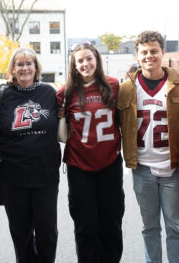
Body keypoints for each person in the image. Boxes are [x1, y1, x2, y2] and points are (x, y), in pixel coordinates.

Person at [117, 31, 179, 263]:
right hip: (142, 168)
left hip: (172, 167)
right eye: (144, 52)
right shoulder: (126, 88)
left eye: (154, 51)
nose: (149, 56)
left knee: (175, 226)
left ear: (162, 52)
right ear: (137, 56)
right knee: (149, 227)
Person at [57, 41, 124, 263]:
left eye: (89, 58)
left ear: (97, 59)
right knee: (85, 226)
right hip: (79, 166)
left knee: (111, 223)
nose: (85, 64)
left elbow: (124, 121)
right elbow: (59, 131)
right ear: (74, 65)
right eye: (80, 60)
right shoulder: (65, 93)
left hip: (109, 164)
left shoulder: (114, 85)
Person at [0, 47, 61, 263]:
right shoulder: (2, 95)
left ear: (36, 67)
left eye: (29, 63)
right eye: (19, 64)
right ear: (13, 69)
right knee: (21, 233)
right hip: (14, 176)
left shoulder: (49, 92)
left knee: (47, 232)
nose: (24, 68)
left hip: (45, 174)